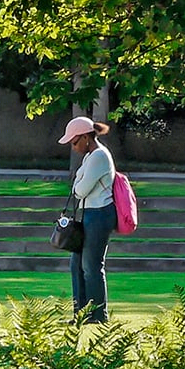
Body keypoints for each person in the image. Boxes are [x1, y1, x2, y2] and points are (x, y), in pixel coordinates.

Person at [61, 115, 115, 322]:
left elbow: (80, 189)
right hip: (90, 213)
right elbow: (78, 187)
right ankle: (81, 314)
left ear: (85, 137)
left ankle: (98, 315)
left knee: (92, 266)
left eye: (74, 142)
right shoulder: (89, 157)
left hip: (100, 214)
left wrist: (78, 182)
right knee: (76, 265)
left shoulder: (99, 156)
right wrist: (79, 183)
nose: (73, 147)